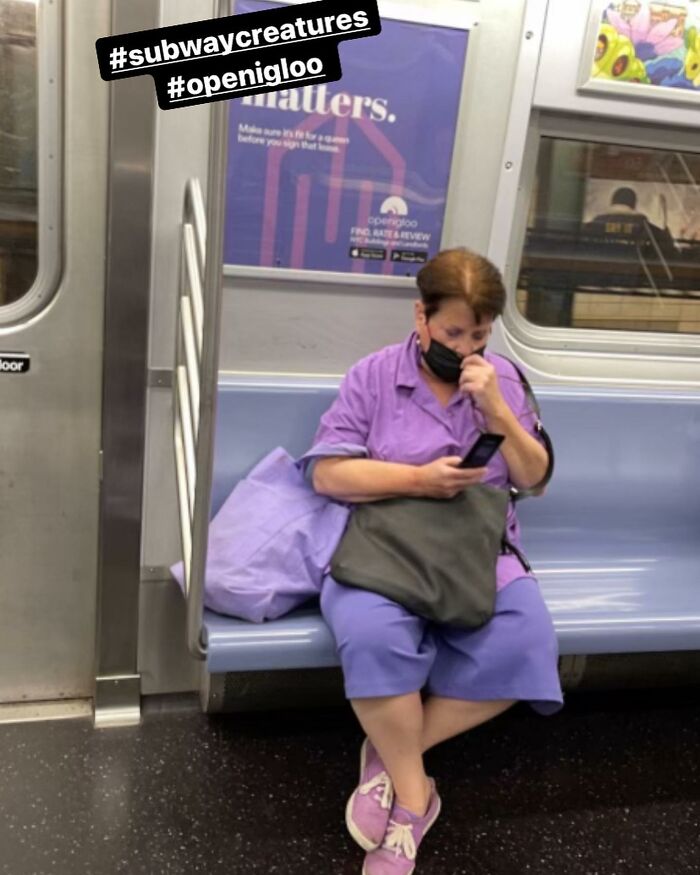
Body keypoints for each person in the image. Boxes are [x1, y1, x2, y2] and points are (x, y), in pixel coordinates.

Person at [302, 248, 563, 874]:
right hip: (388, 543)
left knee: (527, 642)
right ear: (421, 317)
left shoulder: (504, 379)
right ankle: (416, 799)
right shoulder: (373, 375)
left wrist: (497, 410)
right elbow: (328, 474)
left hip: (478, 546)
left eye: (479, 334)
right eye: (453, 332)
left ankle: (390, 754)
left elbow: (535, 479)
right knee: (370, 634)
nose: (467, 347)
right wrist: (419, 479)